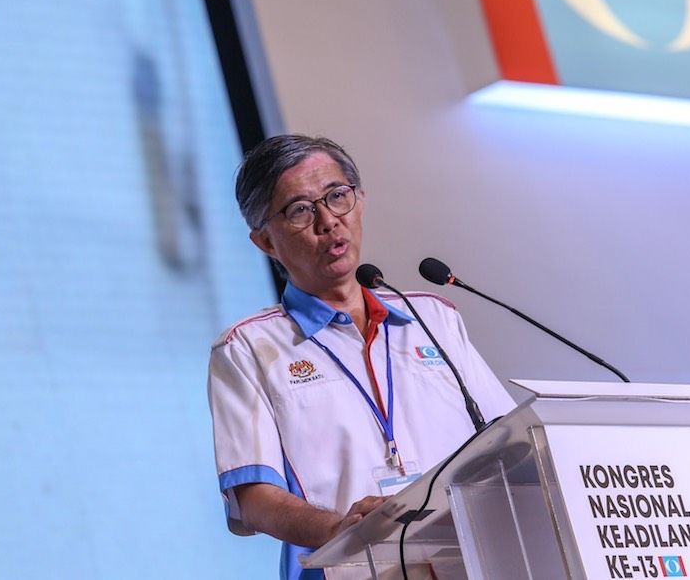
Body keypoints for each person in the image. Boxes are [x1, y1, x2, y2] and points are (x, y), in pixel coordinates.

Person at [207, 134, 516, 580]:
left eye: (337, 197)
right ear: (266, 243)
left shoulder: (432, 318)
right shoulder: (248, 348)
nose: (329, 221)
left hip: (470, 564)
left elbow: (508, 444)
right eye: (300, 210)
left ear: (360, 201)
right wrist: (345, 528)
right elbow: (253, 499)